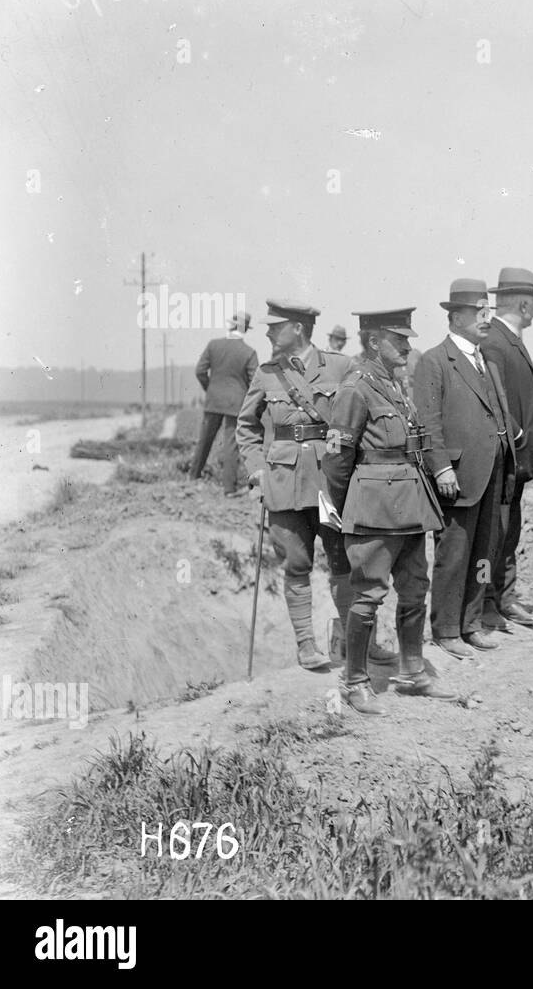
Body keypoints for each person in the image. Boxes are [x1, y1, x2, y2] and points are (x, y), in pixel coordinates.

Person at [322, 307, 452, 714]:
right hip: (374, 506)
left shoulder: (395, 384)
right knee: (369, 594)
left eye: (409, 340)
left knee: (414, 589)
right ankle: (355, 682)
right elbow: (338, 455)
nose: (407, 347)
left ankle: (412, 672)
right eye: (400, 340)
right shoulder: (356, 387)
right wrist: (343, 508)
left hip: (411, 503)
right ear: (374, 342)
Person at [235, 299, 353, 672]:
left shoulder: (339, 366)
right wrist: (256, 471)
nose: (268, 331)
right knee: (297, 564)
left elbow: (355, 418)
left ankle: (354, 642)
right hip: (283, 482)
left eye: (276, 326)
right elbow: (246, 426)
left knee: (343, 561)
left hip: (328, 482)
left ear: (298, 329)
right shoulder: (268, 373)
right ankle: (306, 647)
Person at [418, 279, 524, 660]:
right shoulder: (435, 361)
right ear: (455, 316)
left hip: (493, 474)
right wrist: (442, 467)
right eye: (478, 312)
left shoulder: (487, 361)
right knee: (454, 554)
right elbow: (428, 421)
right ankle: (446, 628)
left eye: (488, 311)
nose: (486, 318)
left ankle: (471, 622)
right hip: (458, 478)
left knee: (483, 555)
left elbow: (495, 411)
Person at [480, 267, 533, 630]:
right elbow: (498, 402)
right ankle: (486, 605)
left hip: (514, 461)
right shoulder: (494, 341)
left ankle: (503, 597)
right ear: (523, 305)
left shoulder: (505, 339)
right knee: (495, 533)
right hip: (503, 458)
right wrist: (518, 438)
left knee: (509, 530)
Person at [189, 311, 258, 496]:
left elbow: (200, 371)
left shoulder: (213, 345)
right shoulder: (249, 353)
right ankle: (229, 489)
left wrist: (209, 389)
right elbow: (255, 383)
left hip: (213, 401)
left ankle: (193, 477)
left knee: (205, 439)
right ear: (245, 330)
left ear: (230, 325)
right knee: (231, 445)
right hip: (236, 404)